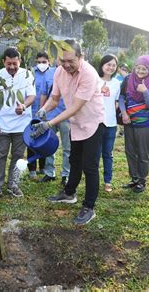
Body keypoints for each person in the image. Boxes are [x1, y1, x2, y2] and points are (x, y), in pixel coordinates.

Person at [35, 39, 105, 225]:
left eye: (70, 61)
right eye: (62, 60)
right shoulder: (59, 71)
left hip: (93, 123)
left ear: (81, 57)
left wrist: (49, 124)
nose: (66, 65)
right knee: (74, 160)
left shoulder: (89, 74)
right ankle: (69, 193)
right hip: (75, 123)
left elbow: (74, 107)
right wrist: (44, 110)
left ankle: (89, 207)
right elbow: (55, 99)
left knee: (89, 166)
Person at [0, 48, 36, 197]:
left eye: (14, 63)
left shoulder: (27, 75)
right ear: (3, 62)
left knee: (18, 156)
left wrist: (23, 106)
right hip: (2, 125)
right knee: (0, 155)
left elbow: (32, 96)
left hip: (22, 125)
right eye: (8, 63)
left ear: (19, 62)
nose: (11, 67)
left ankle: (13, 185)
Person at [119, 55, 149, 193]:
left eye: (144, 69)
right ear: (134, 67)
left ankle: (142, 180)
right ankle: (134, 178)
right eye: (138, 68)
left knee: (143, 152)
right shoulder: (128, 79)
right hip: (129, 121)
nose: (140, 71)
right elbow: (121, 97)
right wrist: (124, 113)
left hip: (145, 124)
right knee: (130, 151)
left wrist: (145, 91)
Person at [37, 54, 70, 187]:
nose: (63, 61)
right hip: (50, 116)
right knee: (49, 145)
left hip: (67, 116)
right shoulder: (49, 73)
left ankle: (66, 174)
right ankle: (49, 172)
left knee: (68, 148)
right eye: (60, 58)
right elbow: (44, 94)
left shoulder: (72, 74)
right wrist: (42, 110)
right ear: (56, 59)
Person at [97, 54, 121, 192]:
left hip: (111, 123)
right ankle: (93, 179)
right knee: (94, 153)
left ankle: (108, 181)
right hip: (96, 122)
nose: (111, 67)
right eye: (108, 64)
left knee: (108, 153)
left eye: (113, 65)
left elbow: (116, 102)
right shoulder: (95, 80)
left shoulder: (117, 83)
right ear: (102, 65)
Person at [28, 52, 53, 179]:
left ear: (49, 61)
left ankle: (42, 167)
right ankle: (32, 168)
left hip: (47, 112)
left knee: (43, 139)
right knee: (32, 139)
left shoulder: (53, 74)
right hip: (32, 111)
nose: (41, 64)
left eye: (44, 62)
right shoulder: (31, 73)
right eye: (39, 62)